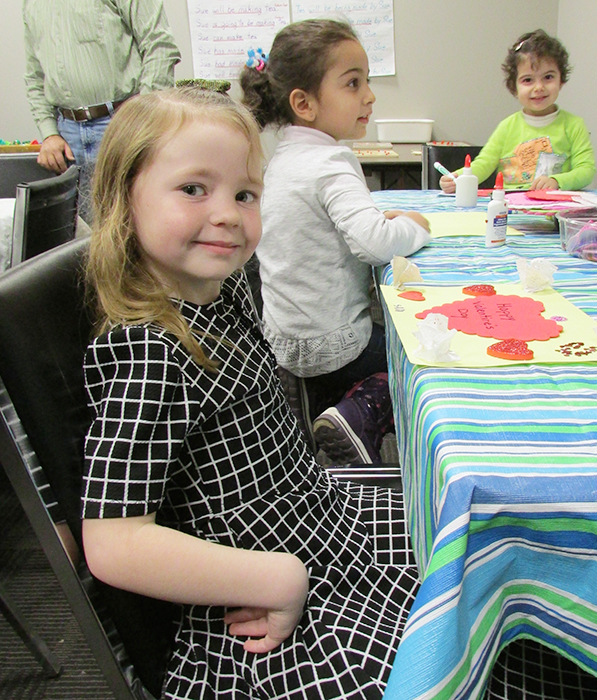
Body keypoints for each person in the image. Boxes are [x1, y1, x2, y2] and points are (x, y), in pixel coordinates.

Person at [80, 86, 420, 700]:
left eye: (245, 194)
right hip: (256, 599)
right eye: (193, 189)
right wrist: (277, 579)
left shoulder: (223, 291)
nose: (229, 213)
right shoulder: (147, 351)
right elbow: (113, 542)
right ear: (122, 201)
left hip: (312, 527)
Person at [240, 19, 431, 464]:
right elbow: (375, 244)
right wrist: (418, 226)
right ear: (304, 103)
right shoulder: (331, 160)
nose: (370, 95)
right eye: (353, 83)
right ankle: (361, 413)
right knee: (418, 357)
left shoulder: (282, 159)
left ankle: (318, 432)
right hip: (340, 344)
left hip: (287, 344)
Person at [23, 0, 180, 214]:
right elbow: (35, 74)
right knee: (79, 238)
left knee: (134, 227)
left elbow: (160, 46)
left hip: (122, 124)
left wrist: (144, 120)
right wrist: (49, 133)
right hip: (67, 138)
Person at [441, 29, 595, 193]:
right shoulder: (506, 127)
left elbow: (586, 170)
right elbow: (484, 163)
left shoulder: (573, 125)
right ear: (514, 88)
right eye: (528, 80)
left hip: (554, 210)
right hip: (510, 208)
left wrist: (557, 181)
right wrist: (461, 177)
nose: (539, 87)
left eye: (548, 77)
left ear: (561, 81)